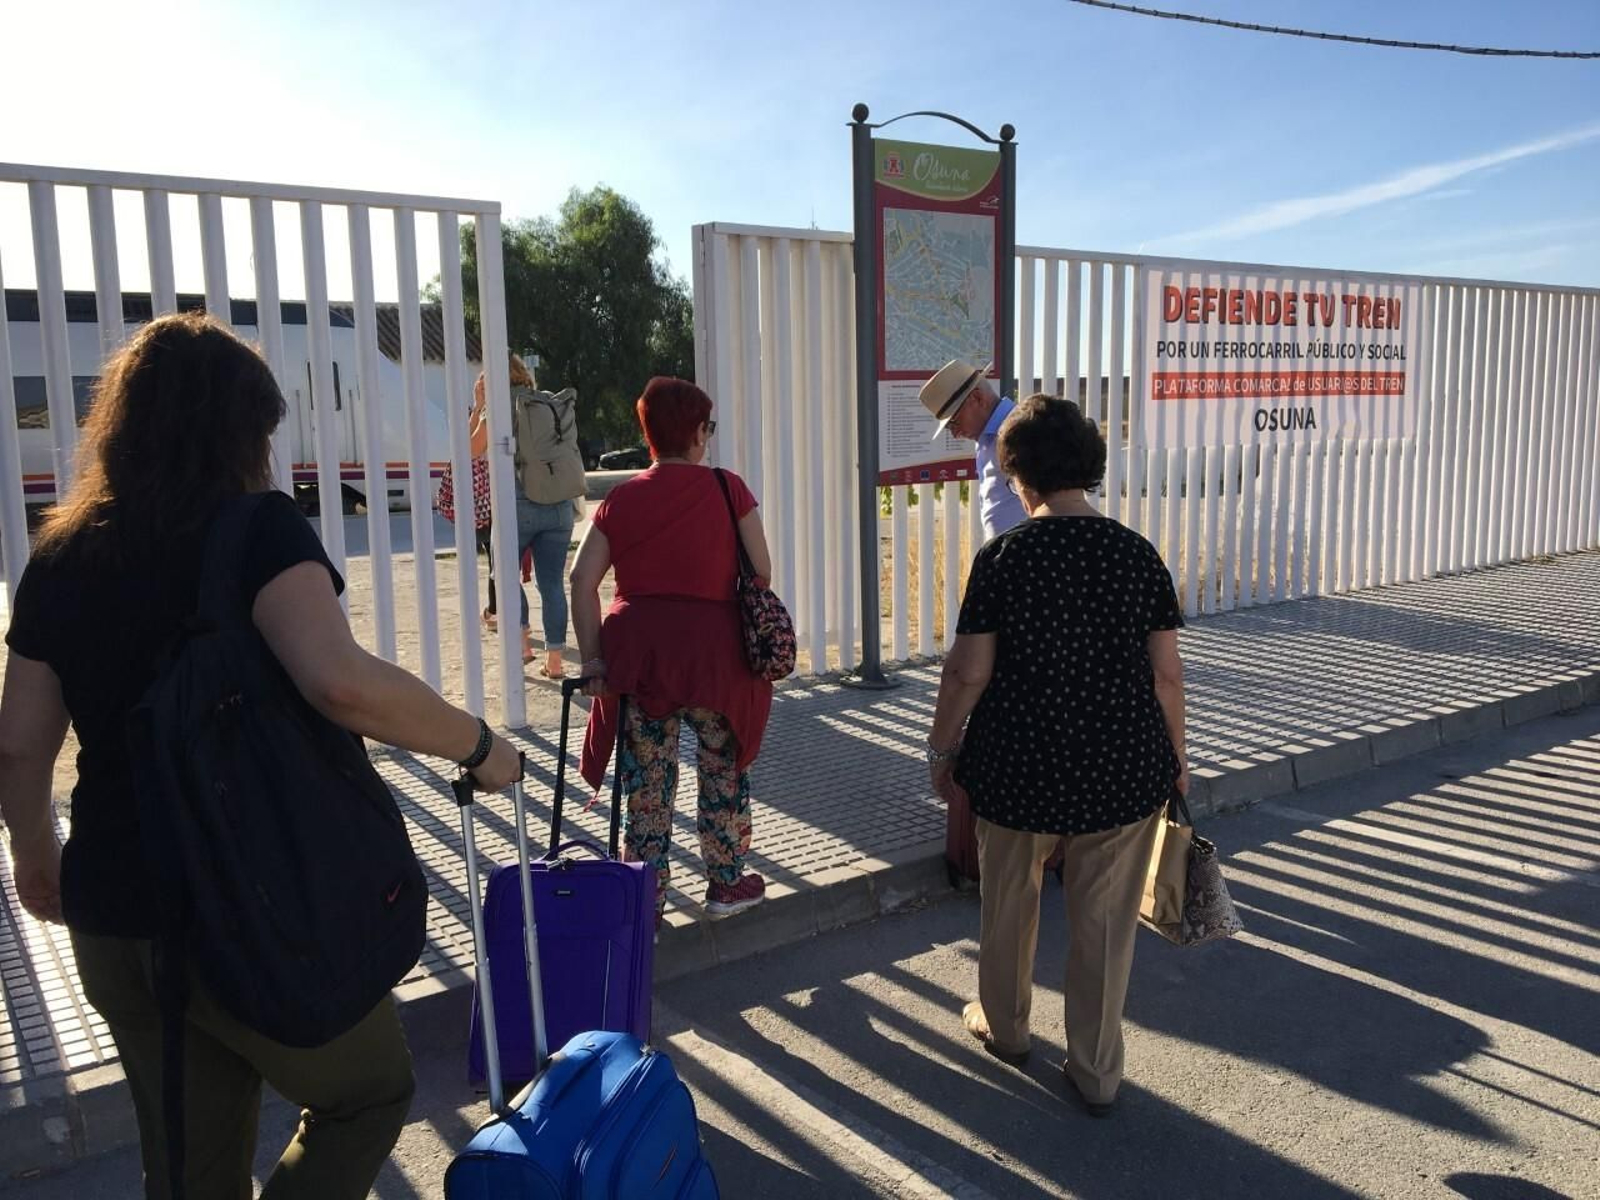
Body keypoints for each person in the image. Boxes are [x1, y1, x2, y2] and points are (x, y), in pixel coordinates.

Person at [0, 313, 521, 1198]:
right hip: (252, 904)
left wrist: (33, 852)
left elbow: (18, 742)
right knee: (366, 1093)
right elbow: (340, 682)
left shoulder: (62, 552)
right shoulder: (256, 532)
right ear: (238, 433)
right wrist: (478, 744)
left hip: (117, 909)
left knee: (188, 1167)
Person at [926, 393, 1188, 1119]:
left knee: (1008, 903)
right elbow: (1167, 675)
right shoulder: (1138, 556)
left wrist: (942, 749)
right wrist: (1178, 758)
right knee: (1104, 922)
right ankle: (1097, 1070)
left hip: (1017, 767)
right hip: (1121, 767)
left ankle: (1006, 1031)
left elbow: (966, 673)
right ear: (1087, 466)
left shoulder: (1004, 557)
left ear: (1020, 475)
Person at [570, 377, 772, 926]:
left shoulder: (621, 498)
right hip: (717, 661)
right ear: (698, 433)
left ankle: (647, 901)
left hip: (643, 665)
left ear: (649, 434)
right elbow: (762, 571)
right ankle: (726, 884)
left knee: (649, 785)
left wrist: (593, 661)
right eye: (708, 427)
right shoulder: (729, 490)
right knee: (722, 773)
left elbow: (581, 580)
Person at [471, 354, 582, 678]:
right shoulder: (546, 403)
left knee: (504, 576)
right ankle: (556, 662)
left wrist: (479, 405)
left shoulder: (501, 406)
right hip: (559, 505)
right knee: (552, 586)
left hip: (518, 504)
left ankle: (522, 646)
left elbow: (472, 448)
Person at [918, 358, 1027, 541]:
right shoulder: (985, 438)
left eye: (954, 422)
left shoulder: (1025, 431)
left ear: (977, 398)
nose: (955, 433)